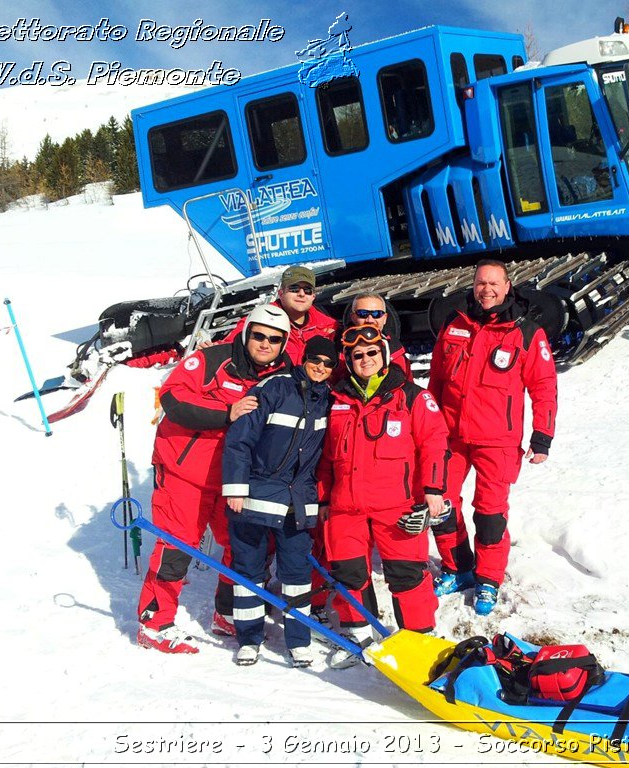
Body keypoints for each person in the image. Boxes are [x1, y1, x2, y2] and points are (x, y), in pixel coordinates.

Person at [137, 304, 291, 654]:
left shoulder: (283, 373)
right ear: (247, 331)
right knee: (177, 547)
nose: (265, 344)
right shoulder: (212, 360)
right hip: (185, 470)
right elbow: (173, 397)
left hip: (234, 479)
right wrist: (226, 413)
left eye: (275, 339)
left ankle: (228, 613)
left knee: (244, 548)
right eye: (259, 335)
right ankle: (154, 623)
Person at [427, 259, 558, 616]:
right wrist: (428, 428)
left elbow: (544, 387)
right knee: (439, 505)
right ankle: (458, 567)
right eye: (481, 283)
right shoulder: (455, 325)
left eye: (494, 283)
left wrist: (542, 435)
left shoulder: (527, 332)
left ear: (507, 285)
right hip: (451, 437)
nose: (487, 289)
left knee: (489, 513)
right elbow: (436, 380)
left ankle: (488, 577)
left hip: (497, 441)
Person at [317, 325, 449, 668]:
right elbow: (325, 457)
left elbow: (435, 444)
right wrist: (323, 499)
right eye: (357, 355)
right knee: (348, 574)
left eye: (372, 353)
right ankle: (355, 631)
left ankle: (419, 639)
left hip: (397, 506)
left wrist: (433, 490)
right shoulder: (336, 401)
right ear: (348, 359)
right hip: (346, 507)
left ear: (385, 355)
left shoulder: (413, 397)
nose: (365, 359)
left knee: (407, 575)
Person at [222, 337, 335, 667]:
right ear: (304, 359)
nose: (321, 368)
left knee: (297, 573)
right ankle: (249, 637)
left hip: (297, 502)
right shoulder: (275, 387)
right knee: (249, 571)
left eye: (328, 364)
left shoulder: (328, 399)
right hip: (255, 496)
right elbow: (240, 439)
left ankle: (297, 640)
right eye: (316, 360)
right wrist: (235, 488)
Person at [225, 266, 339, 364]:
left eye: (307, 290)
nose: (301, 294)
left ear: (313, 296)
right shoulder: (261, 318)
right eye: (294, 289)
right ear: (281, 293)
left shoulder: (329, 326)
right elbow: (227, 348)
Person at [337, 293, 411, 379]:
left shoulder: (397, 352)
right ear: (353, 317)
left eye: (377, 314)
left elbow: (408, 387)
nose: (370, 320)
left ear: (385, 318)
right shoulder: (338, 350)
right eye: (363, 314)